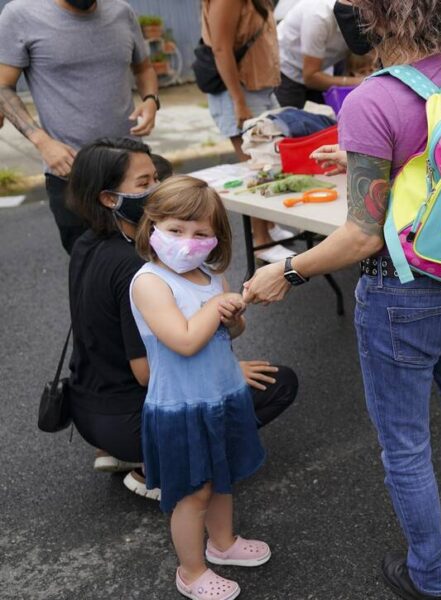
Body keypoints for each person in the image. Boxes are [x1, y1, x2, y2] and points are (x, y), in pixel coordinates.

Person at [244, 1, 441, 598]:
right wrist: (362, 157)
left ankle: (429, 575)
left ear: (378, 18)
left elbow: (360, 235)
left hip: (402, 294)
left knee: (405, 443)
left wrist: (286, 271)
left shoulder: (374, 98)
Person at [66, 140, 298, 501]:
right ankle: (155, 468)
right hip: (136, 412)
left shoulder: (87, 243)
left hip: (89, 407)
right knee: (279, 383)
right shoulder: (140, 271)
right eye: (144, 184)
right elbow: (147, 371)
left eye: (156, 177)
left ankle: (123, 451)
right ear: (109, 198)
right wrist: (227, 370)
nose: (157, 189)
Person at [130, 176, 270, 599]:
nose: (187, 241)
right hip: (181, 406)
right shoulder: (150, 282)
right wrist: (214, 309)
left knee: (222, 477)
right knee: (193, 492)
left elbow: (227, 333)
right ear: (152, 228)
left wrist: (233, 318)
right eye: (175, 230)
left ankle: (223, 544)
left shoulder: (211, 276)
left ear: (216, 239)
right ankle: (191, 572)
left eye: (201, 233)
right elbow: (186, 340)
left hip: (222, 395)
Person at [0, 0, 158, 255]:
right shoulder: (21, 13)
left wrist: (151, 100)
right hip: (72, 171)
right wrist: (42, 141)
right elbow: (2, 86)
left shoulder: (121, 11)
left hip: (132, 170)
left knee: (150, 260)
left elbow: (144, 68)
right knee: (90, 268)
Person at [202, 0, 296, 263]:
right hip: (241, 93)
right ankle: (261, 240)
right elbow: (221, 47)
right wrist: (238, 100)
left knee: (271, 164)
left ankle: (268, 227)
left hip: (261, 88)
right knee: (257, 166)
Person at [275, 0, 368, 108]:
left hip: (320, 66)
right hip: (288, 69)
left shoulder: (363, 15)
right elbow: (311, 77)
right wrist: (360, 81)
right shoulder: (319, 16)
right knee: (291, 117)